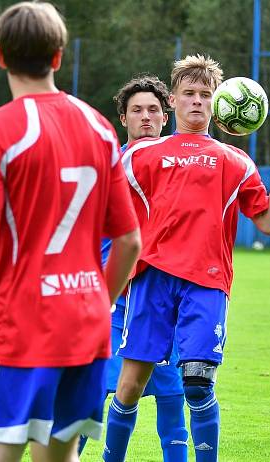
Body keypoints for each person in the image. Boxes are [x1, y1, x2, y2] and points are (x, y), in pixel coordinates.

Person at [0, 3, 141, 462]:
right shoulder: (100, 129)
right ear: (59, 57)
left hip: (22, 329)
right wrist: (95, 304)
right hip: (85, 330)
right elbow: (129, 242)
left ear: (0, 56)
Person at [103, 54, 270, 462]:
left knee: (197, 384)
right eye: (188, 93)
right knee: (128, 387)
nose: (197, 101)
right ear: (173, 103)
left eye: (205, 94)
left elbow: (267, 223)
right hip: (151, 282)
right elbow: (110, 213)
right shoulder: (141, 156)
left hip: (207, 283)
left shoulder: (235, 161)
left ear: (217, 103)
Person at [77, 75, 189, 461]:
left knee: (173, 395)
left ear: (166, 115)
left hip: (161, 301)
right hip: (111, 301)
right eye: (137, 110)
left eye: (154, 110)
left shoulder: (183, 171)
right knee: (90, 393)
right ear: (123, 118)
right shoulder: (108, 168)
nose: (146, 117)